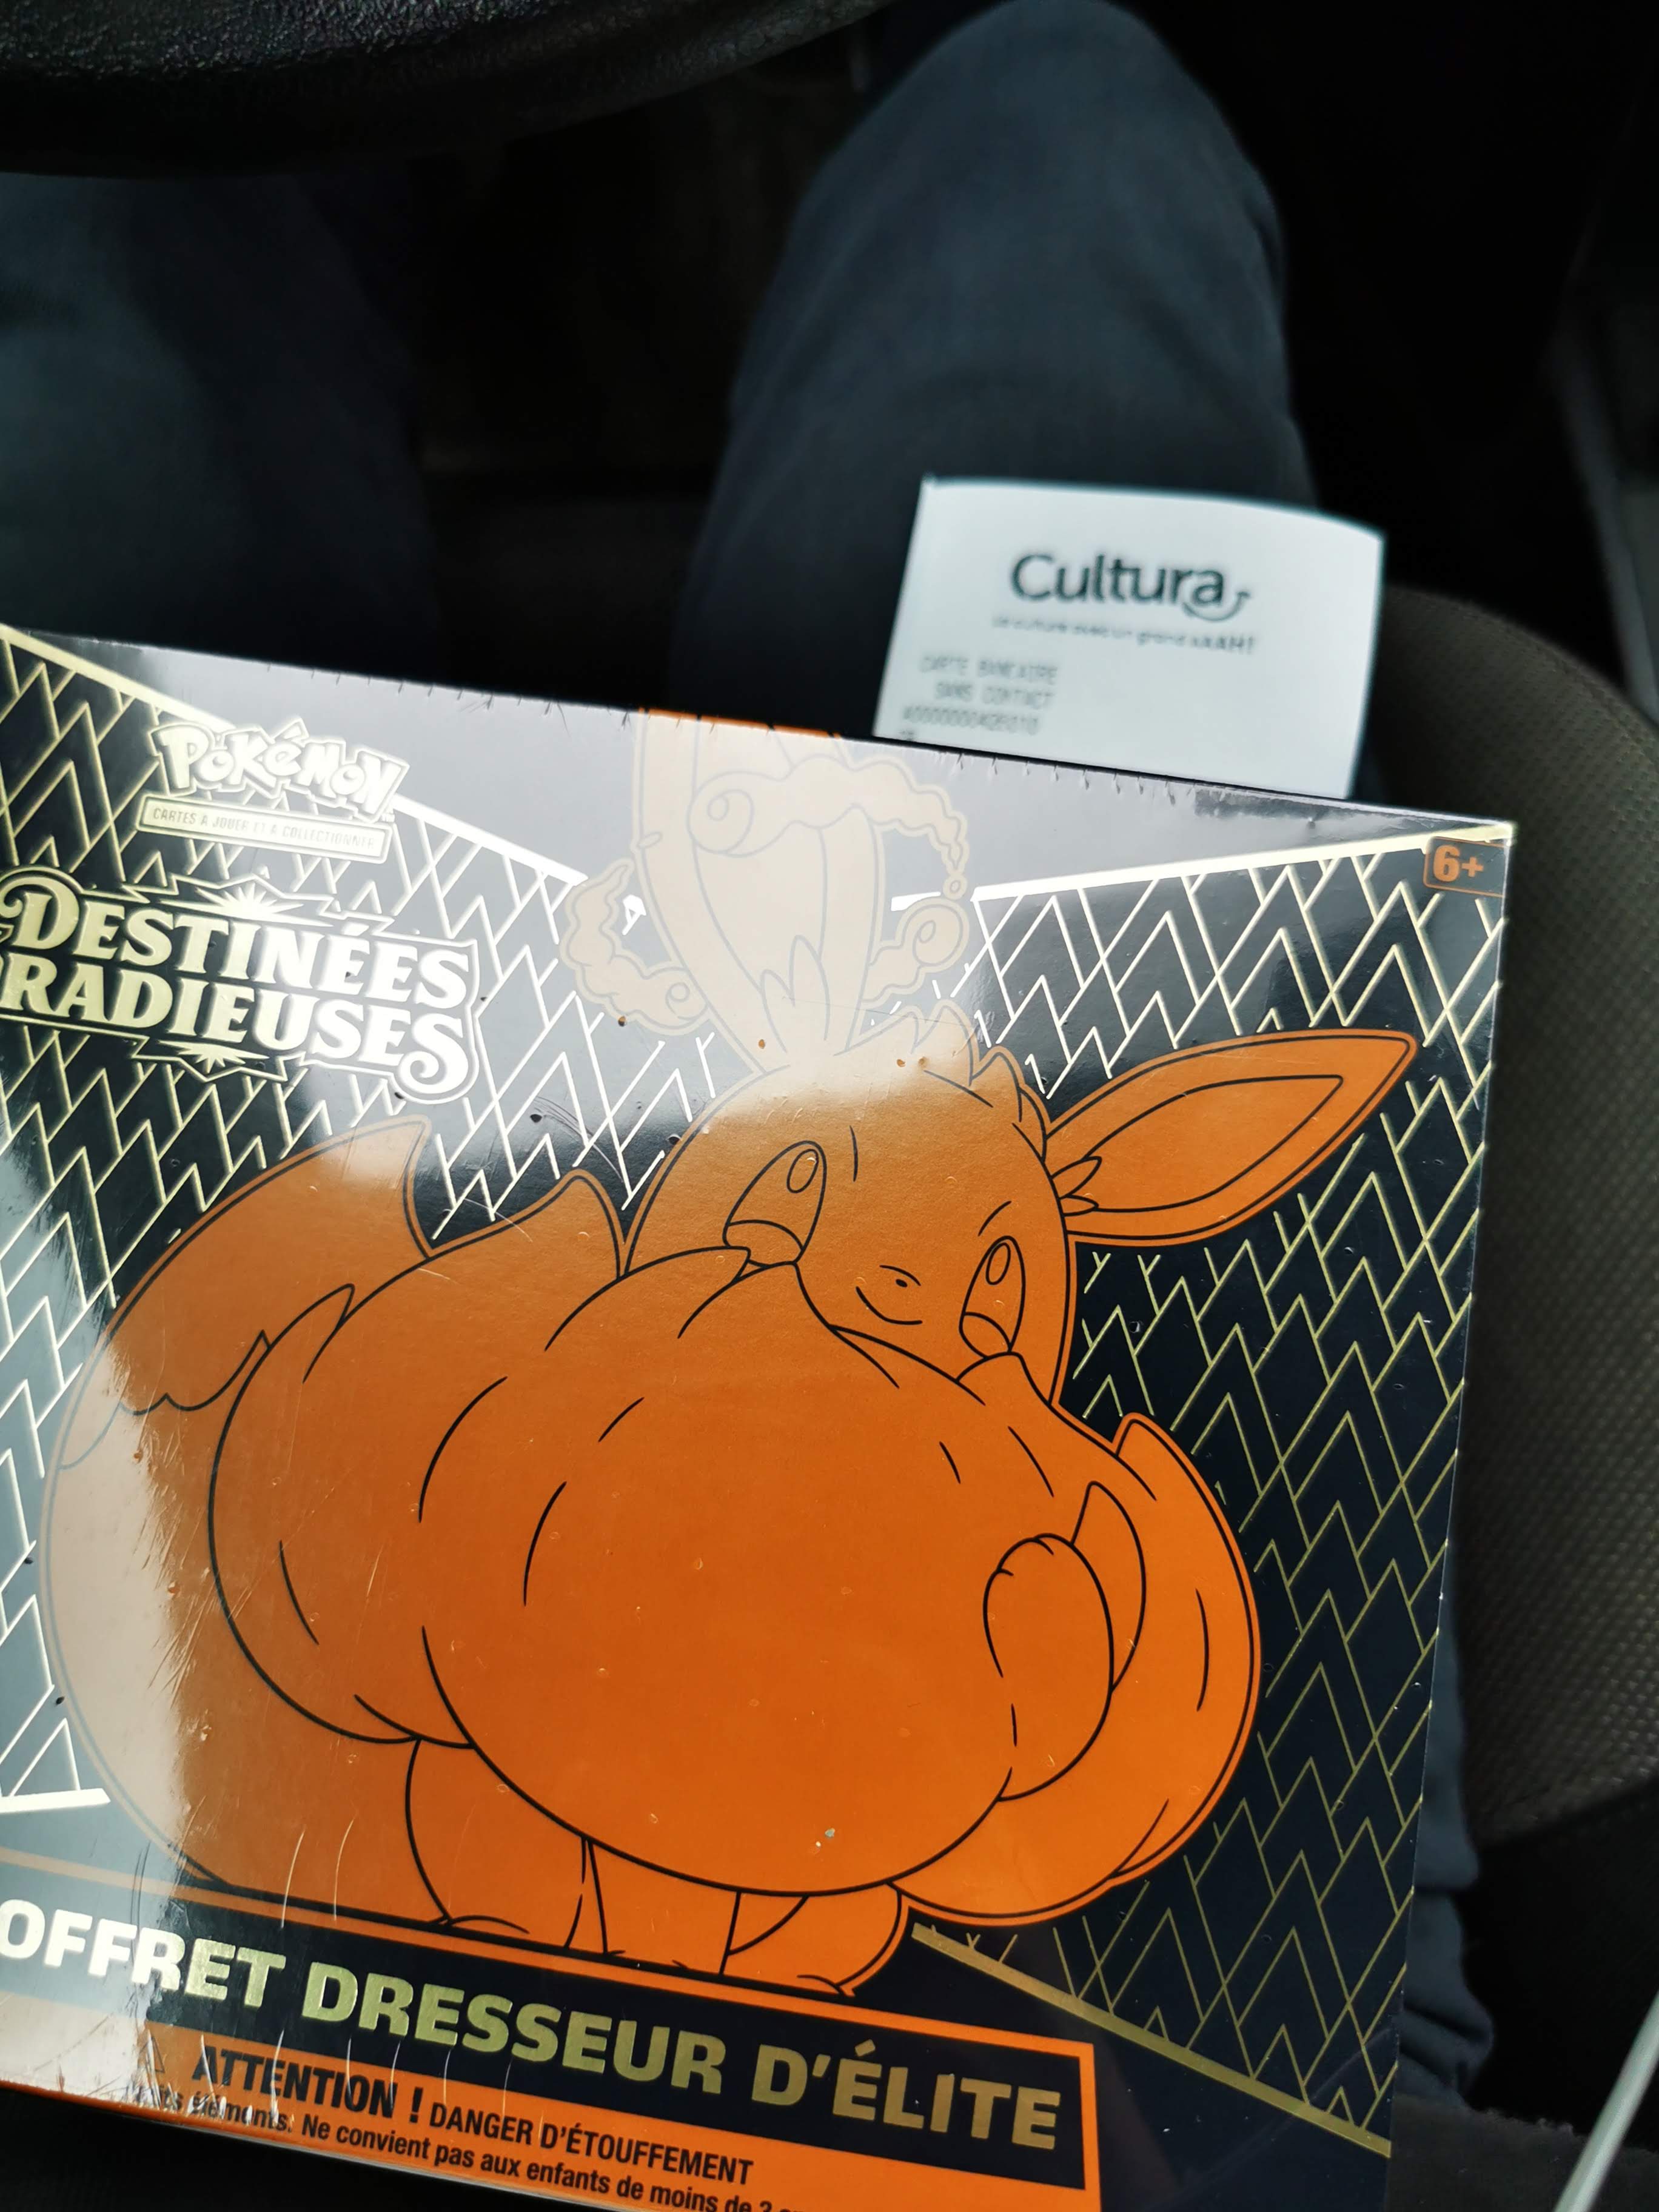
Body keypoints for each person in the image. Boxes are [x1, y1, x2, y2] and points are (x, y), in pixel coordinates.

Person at [0, 0, 1487, 2103]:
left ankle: (314, 127)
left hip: (100, 2003)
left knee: (102, 217)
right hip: (1157, 2091)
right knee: (1068, 132)